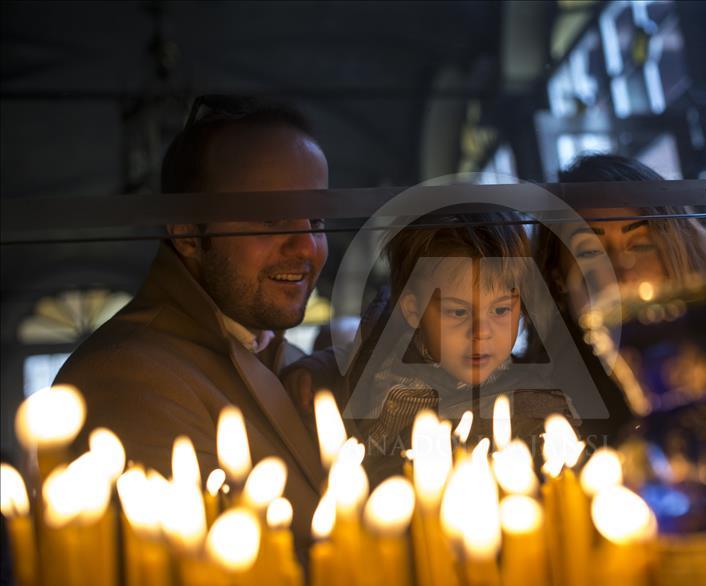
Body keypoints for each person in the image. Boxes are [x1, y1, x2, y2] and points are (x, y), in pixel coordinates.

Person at [55, 97, 328, 546]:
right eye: (270, 217)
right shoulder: (126, 376)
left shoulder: (288, 358)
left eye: (318, 218)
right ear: (186, 233)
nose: (307, 246)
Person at [287, 207, 577, 483]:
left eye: (501, 310)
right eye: (458, 312)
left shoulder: (535, 408)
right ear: (413, 310)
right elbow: (355, 355)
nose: (481, 332)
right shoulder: (383, 344)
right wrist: (320, 366)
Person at [528, 154, 706, 442]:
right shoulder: (542, 415)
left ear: (676, 252)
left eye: (641, 245)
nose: (622, 270)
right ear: (558, 278)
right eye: (591, 252)